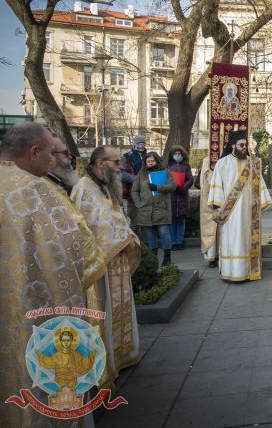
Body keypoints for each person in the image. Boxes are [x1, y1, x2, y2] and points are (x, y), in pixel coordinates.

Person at [0, 122, 103, 428]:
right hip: (31, 316)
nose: (54, 161)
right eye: (50, 154)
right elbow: (81, 251)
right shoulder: (39, 190)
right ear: (34, 152)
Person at [71, 145, 142, 383]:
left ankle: (122, 355)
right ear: (100, 163)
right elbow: (88, 228)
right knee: (105, 310)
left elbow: (118, 219)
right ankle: (108, 361)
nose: (119, 168)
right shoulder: (84, 188)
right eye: (115, 162)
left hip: (118, 260)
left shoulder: (106, 187)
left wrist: (128, 239)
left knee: (120, 307)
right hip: (101, 263)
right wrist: (123, 240)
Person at [208, 130, 272, 282]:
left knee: (246, 241)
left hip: (249, 212)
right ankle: (230, 272)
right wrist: (219, 207)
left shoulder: (253, 164)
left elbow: (260, 185)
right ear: (233, 145)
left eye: (245, 145)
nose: (244, 148)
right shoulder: (222, 163)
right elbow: (217, 186)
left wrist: (262, 203)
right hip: (230, 212)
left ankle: (248, 272)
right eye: (241, 145)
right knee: (231, 241)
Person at [132, 151, 177, 265]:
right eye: (148, 161)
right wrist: (139, 204)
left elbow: (173, 186)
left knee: (164, 232)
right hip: (146, 210)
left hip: (161, 209)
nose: (150, 163)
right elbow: (134, 191)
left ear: (157, 161)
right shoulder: (141, 174)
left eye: (152, 161)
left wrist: (158, 187)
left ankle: (167, 257)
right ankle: (153, 259)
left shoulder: (165, 172)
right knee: (151, 236)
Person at [166, 145, 194, 251]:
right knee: (172, 220)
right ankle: (173, 242)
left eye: (179, 153)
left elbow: (190, 179)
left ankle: (180, 241)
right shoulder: (167, 166)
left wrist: (183, 187)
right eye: (175, 153)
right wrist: (171, 186)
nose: (177, 155)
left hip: (182, 196)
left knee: (181, 220)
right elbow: (165, 178)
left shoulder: (186, 166)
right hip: (171, 196)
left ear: (182, 154)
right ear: (172, 155)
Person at [195, 155, 219, 267]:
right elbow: (203, 182)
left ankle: (222, 255)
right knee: (210, 227)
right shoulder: (207, 161)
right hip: (209, 200)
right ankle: (212, 256)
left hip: (224, 199)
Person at [120, 134, 147, 232]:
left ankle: (144, 240)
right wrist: (136, 179)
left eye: (143, 143)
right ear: (134, 144)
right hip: (133, 192)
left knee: (145, 220)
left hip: (147, 192)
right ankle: (134, 239)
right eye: (139, 143)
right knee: (134, 219)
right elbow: (121, 174)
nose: (141, 145)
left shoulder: (148, 156)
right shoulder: (126, 157)